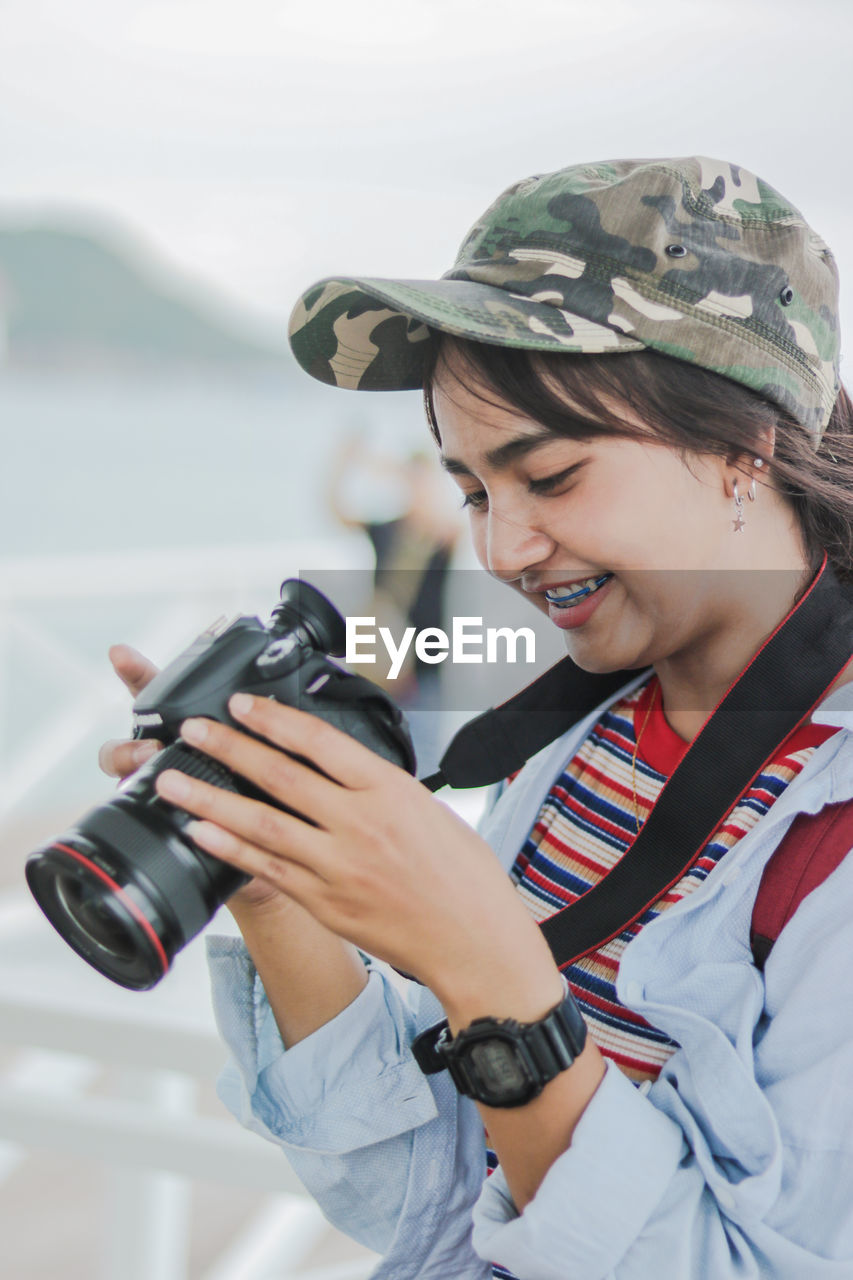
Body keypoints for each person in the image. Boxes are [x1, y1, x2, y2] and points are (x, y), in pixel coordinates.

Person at [103, 157, 853, 1277]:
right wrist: (271, 885)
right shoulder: (581, 734)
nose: (501, 549)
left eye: (548, 476)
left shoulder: (825, 835)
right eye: (471, 491)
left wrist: (493, 969)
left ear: (742, 446)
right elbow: (438, 1197)